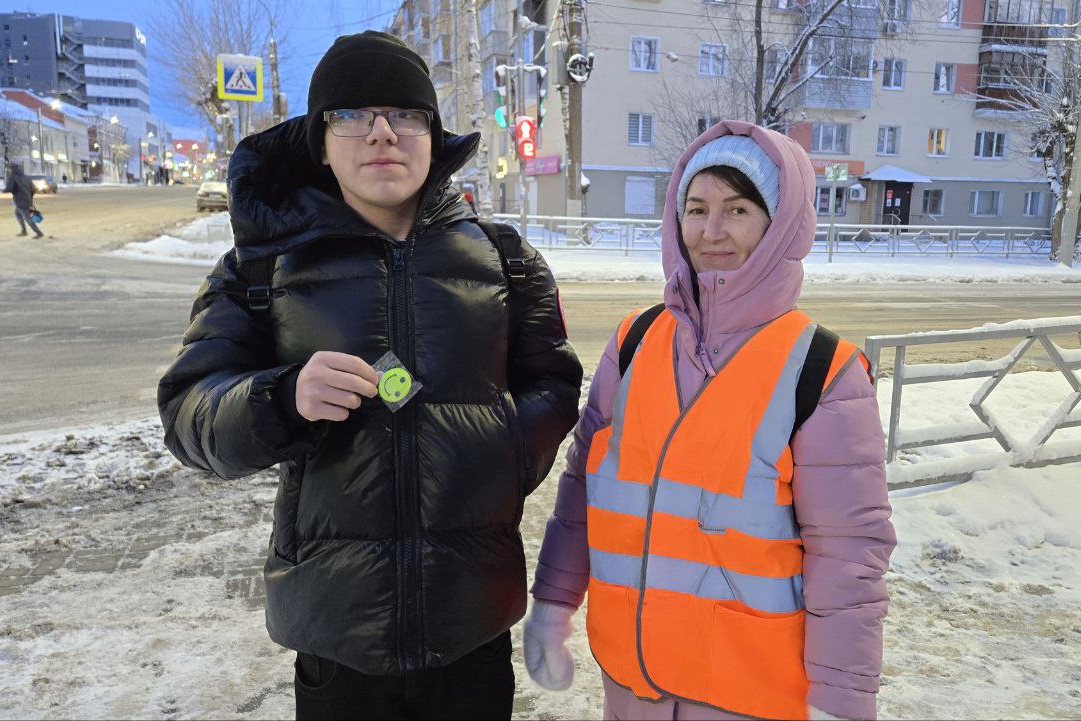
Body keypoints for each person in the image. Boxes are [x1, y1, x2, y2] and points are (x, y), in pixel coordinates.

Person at [157, 31, 582, 720]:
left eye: (405, 114)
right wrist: (281, 400)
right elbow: (189, 412)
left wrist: (503, 449)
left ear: (432, 134)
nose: (382, 132)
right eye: (352, 115)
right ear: (320, 140)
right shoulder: (262, 269)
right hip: (338, 646)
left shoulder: (506, 261)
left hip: (471, 632)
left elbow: (556, 385)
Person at [523, 121, 896, 721]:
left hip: (748, 696)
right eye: (696, 209)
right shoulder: (635, 342)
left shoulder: (822, 372)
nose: (711, 231)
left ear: (780, 225)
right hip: (632, 687)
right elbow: (582, 493)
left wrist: (843, 702)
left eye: (738, 209)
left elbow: (849, 557)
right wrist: (553, 603)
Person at [3, 163, 42, 238]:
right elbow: (33, 189)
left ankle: (38, 232)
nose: (9, 170)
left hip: (21, 201)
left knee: (27, 218)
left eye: (9, 169)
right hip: (27, 200)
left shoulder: (13, 177)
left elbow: (9, 188)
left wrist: (4, 190)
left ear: (12, 169)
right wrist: (29, 197)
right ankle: (24, 231)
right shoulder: (26, 177)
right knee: (18, 214)